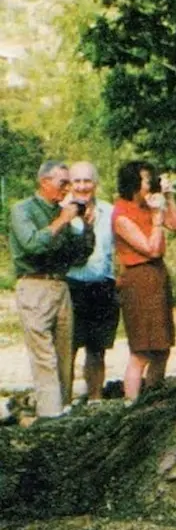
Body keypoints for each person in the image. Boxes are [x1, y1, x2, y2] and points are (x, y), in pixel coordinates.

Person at [9, 160, 95, 417]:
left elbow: (78, 257)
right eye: (63, 183)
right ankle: (50, 417)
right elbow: (32, 245)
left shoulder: (63, 213)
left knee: (64, 356)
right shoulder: (22, 210)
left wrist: (87, 227)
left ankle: (61, 410)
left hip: (60, 286)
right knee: (44, 358)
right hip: (34, 285)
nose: (68, 188)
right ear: (44, 182)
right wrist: (62, 220)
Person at [113, 160, 176, 402]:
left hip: (158, 276)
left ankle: (154, 397)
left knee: (162, 347)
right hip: (138, 277)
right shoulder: (122, 213)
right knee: (142, 350)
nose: (150, 184)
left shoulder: (150, 206)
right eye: (146, 180)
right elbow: (151, 249)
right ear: (133, 182)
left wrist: (169, 197)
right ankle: (131, 403)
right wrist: (155, 218)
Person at [65, 161, 119, 403]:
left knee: (97, 349)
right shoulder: (61, 211)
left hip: (102, 285)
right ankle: (63, 402)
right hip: (72, 285)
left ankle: (95, 399)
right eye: (77, 181)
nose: (83, 186)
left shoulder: (110, 211)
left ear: (95, 184)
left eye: (87, 181)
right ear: (70, 184)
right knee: (68, 347)